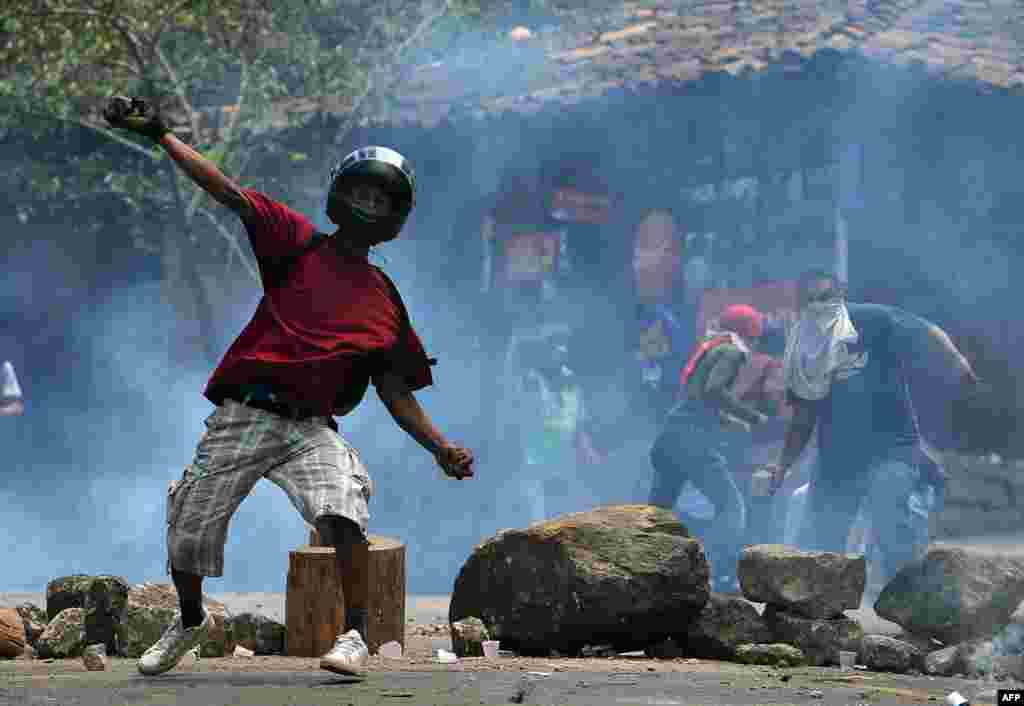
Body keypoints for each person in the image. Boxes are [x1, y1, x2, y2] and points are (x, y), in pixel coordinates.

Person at [102, 96, 474, 677]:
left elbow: (397, 394)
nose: (369, 204)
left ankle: (354, 635)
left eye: (382, 199)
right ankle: (192, 619)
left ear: (396, 218)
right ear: (339, 194)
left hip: (311, 427)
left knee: (344, 506)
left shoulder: (385, 303)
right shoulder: (295, 242)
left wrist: (441, 447)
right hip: (247, 413)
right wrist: (161, 136)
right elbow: (227, 191)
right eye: (362, 191)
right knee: (190, 527)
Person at [763, 269, 976, 589]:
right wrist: (783, 464)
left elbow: (926, 330)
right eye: (811, 300)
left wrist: (957, 360)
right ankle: (819, 617)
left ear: (840, 298)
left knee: (889, 516)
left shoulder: (873, 320)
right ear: (800, 305)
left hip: (891, 447)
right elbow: (803, 418)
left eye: (826, 297)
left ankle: (913, 607)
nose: (819, 306)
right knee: (820, 543)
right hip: (837, 459)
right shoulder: (802, 351)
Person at [648, 304, 770, 591]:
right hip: (692, 442)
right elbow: (714, 390)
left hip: (670, 438)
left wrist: (727, 421)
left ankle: (643, 568)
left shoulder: (710, 347)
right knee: (731, 506)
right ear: (748, 333)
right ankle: (716, 573)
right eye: (755, 337)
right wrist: (752, 416)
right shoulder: (731, 351)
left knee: (656, 514)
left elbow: (698, 399)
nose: (755, 344)